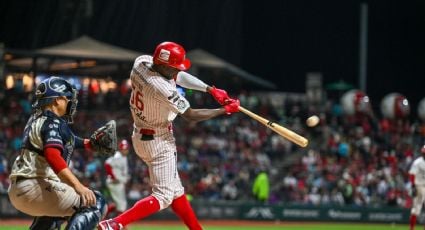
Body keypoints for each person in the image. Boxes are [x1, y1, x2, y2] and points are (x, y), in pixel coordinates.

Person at [98, 41, 240, 230]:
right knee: (164, 196)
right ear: (163, 65)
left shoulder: (141, 62)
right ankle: (115, 224)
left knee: (176, 192)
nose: (176, 71)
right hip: (158, 140)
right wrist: (224, 110)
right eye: (173, 67)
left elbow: (178, 75)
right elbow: (190, 115)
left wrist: (210, 89)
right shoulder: (161, 87)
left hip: (142, 135)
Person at [8, 76, 109, 229]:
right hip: (34, 186)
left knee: (54, 215)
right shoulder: (53, 121)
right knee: (96, 201)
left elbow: (70, 140)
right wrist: (78, 186)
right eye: (67, 98)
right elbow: (52, 155)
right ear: (57, 100)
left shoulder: (35, 119)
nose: (70, 102)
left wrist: (89, 144)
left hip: (19, 189)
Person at [104, 139, 130, 218]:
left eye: (126, 149)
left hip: (118, 183)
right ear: (120, 149)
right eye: (123, 149)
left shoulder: (123, 157)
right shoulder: (118, 156)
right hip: (115, 183)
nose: (125, 150)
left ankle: (103, 217)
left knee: (118, 203)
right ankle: (121, 224)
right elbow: (107, 164)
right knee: (122, 204)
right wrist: (113, 177)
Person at [409, 145, 425, 230]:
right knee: (416, 209)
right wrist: (413, 186)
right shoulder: (417, 162)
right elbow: (412, 174)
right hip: (419, 186)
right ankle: (412, 228)